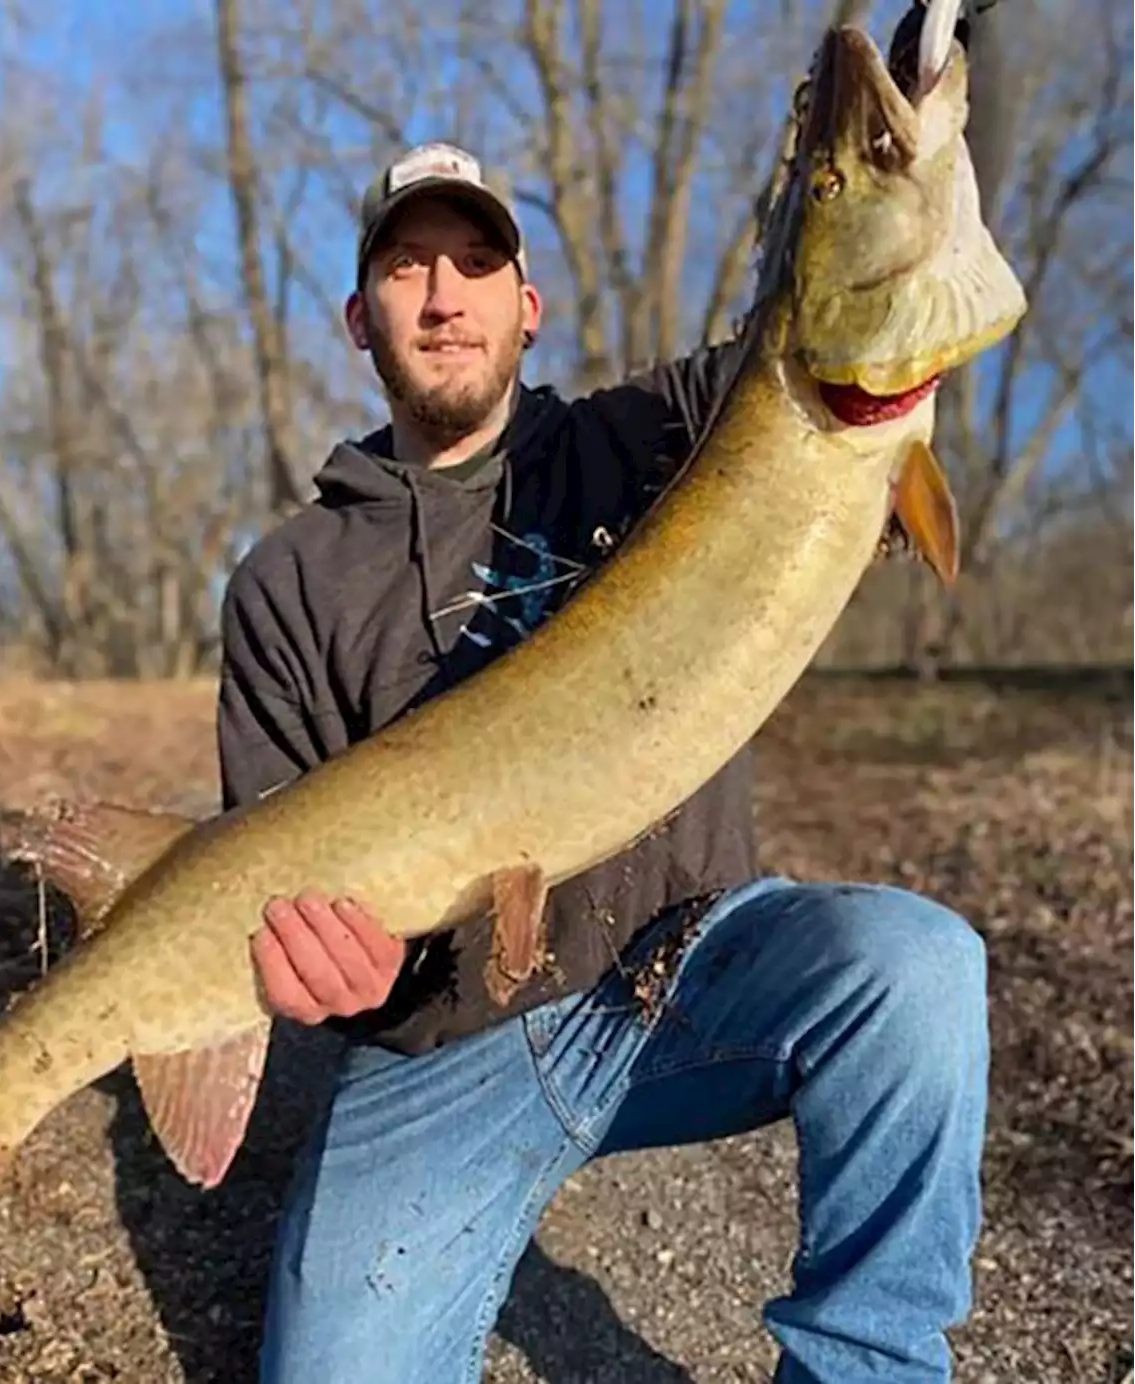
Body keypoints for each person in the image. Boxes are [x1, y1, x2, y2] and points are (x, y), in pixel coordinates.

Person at [215, 141, 990, 1384]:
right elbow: (263, 874)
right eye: (405, 265)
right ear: (360, 318)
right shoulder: (285, 584)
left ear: (525, 308)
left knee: (913, 971)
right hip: (441, 1048)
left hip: (680, 976)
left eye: (476, 262)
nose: (441, 293)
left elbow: (827, 306)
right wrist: (312, 970)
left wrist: (870, 131)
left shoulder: (657, 439)